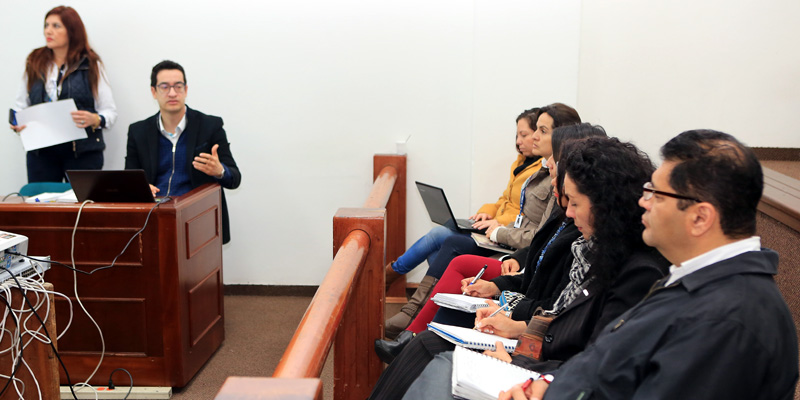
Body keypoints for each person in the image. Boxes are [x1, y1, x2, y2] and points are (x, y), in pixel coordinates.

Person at [504, 130, 798, 400]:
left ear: (700, 217)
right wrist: (550, 383)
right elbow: (612, 367)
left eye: (657, 194)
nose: (643, 202)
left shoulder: (726, 319)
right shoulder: (695, 280)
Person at [368, 136, 668, 400]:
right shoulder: (597, 247)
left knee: (436, 353)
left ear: (606, 205)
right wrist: (516, 327)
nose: (569, 211)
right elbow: (564, 317)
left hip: (548, 373)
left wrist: (518, 357)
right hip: (541, 353)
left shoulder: (634, 269)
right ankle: (410, 328)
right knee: (431, 344)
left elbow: (596, 359)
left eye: (575, 202)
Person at [374, 123, 604, 364]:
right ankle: (411, 330)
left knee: (454, 250)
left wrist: (499, 239)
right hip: (516, 267)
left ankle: (409, 323)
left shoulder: (576, 227)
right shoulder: (537, 183)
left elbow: (551, 308)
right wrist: (488, 221)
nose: (533, 139)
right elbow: (510, 209)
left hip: (519, 285)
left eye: (540, 131)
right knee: (446, 241)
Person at [382, 107, 551, 339]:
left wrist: (497, 226)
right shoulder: (522, 164)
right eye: (518, 135)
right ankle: (415, 310)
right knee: (444, 233)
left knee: (447, 239)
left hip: (507, 236)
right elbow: (505, 200)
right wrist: (485, 214)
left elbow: (527, 222)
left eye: (527, 134)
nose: (522, 140)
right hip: (501, 229)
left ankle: (406, 300)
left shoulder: (546, 172)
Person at [125, 60, 241, 244]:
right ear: (153, 92)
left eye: (178, 86)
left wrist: (219, 171)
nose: (172, 93)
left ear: (186, 90)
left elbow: (234, 178)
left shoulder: (210, 126)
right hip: (154, 216)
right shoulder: (138, 131)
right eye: (164, 86)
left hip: (197, 217)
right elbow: (129, 180)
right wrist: (140, 188)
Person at [10, 6, 117, 183]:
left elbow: (109, 112)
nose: (48, 31)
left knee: (81, 207)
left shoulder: (90, 64)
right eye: (46, 25)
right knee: (42, 206)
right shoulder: (34, 61)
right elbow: (20, 105)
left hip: (82, 153)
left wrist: (95, 119)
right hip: (41, 153)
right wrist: (16, 122)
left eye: (56, 26)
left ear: (72, 31)